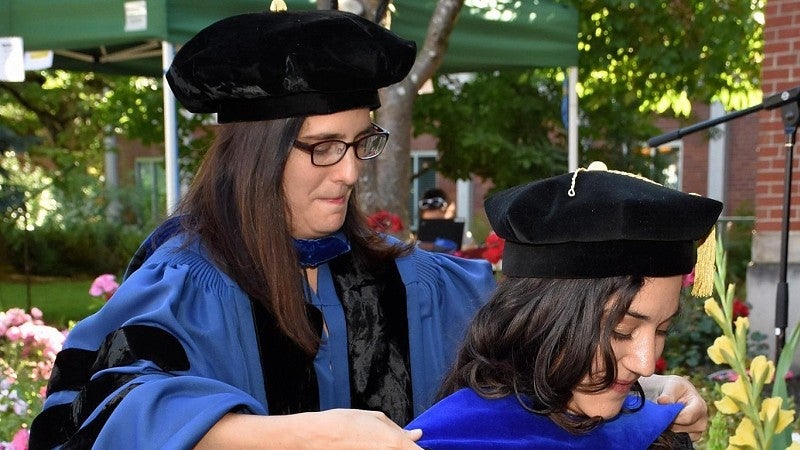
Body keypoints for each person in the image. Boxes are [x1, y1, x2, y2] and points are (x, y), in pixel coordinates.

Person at [29, 8, 707, 450]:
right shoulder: (189, 278)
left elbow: (528, 360)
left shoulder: (410, 280)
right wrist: (298, 435)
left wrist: (645, 394)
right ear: (256, 155)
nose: (350, 172)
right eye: (323, 146)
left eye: (362, 144)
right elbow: (96, 412)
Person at [405, 162, 723, 449]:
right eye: (622, 330)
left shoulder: (654, 435)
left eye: (662, 330)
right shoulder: (446, 442)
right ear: (540, 318)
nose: (646, 365)